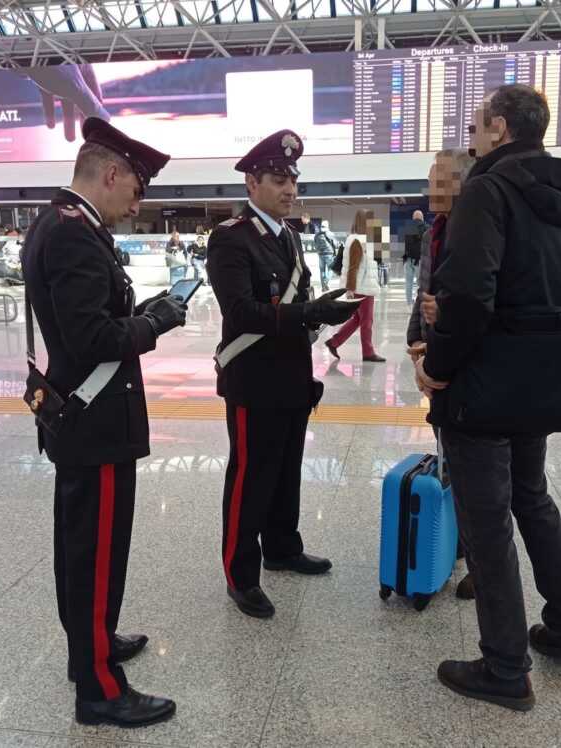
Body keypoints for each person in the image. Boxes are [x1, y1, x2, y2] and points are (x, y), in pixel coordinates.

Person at [416, 84, 561, 711]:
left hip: (487, 387)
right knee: (532, 499)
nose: (472, 137)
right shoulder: (554, 199)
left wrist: (437, 367)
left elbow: (468, 297)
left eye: (476, 125)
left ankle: (504, 665)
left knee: (487, 522)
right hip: (538, 381)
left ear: (496, 126)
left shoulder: (488, 191)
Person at [21, 117, 185, 729]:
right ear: (110, 174)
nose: (136, 203)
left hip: (84, 419)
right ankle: (99, 688)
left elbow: (82, 320)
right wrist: (157, 323)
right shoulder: (72, 235)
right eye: (136, 190)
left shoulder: (64, 224)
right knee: (93, 551)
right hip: (96, 424)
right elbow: (93, 338)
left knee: (85, 547)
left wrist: (139, 313)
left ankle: (90, 645)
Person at [206, 129, 359, 620]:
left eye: (293, 180)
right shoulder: (230, 238)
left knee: (287, 467)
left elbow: (295, 303)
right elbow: (242, 312)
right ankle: (240, 572)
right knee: (251, 476)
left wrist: (321, 311)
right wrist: (306, 313)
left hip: (293, 373)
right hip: (253, 379)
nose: (290, 190)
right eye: (278, 179)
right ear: (252, 183)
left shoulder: (290, 236)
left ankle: (282, 548)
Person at [406, 148, 477, 599]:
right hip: (439, 360)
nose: (431, 184)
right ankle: (460, 538)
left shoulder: (477, 231)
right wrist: (416, 350)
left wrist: (436, 359)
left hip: (468, 365)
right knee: (453, 457)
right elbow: (424, 294)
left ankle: (480, 559)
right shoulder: (437, 230)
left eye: (439, 177)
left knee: (483, 472)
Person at [324, 210, 386, 363]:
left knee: (358, 320)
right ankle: (368, 352)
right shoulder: (358, 241)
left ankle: (334, 342)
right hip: (362, 288)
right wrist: (350, 288)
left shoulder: (359, 240)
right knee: (367, 321)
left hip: (362, 286)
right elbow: (353, 267)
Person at [403, 210, 426, 304]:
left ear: (413, 218)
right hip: (419, 260)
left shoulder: (406, 228)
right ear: (422, 217)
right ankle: (420, 301)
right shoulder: (426, 228)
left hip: (408, 260)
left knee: (409, 282)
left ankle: (409, 302)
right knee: (421, 283)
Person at [313, 220, 338, 291]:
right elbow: (335, 244)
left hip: (320, 254)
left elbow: (315, 243)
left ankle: (323, 287)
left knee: (322, 271)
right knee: (331, 269)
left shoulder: (317, 234)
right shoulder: (330, 233)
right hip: (329, 254)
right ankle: (326, 283)